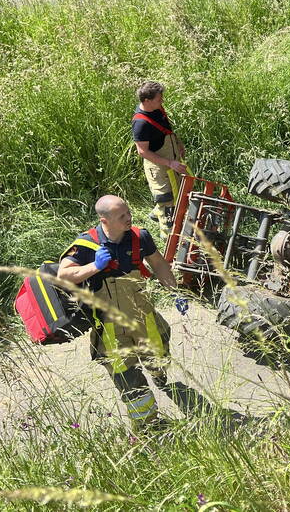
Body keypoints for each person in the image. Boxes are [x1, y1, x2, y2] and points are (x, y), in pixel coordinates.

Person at [57, 195, 206, 429]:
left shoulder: (140, 236)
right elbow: (63, 276)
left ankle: (159, 377)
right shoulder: (86, 245)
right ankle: (149, 426)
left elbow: (158, 264)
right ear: (104, 220)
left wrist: (176, 292)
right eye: (122, 216)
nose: (129, 218)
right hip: (110, 328)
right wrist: (94, 266)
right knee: (128, 378)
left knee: (158, 356)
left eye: (128, 212)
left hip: (144, 316)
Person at [132, 81, 188, 236]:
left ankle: (156, 213)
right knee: (166, 199)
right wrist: (169, 162)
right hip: (158, 167)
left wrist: (178, 145)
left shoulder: (157, 109)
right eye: (158, 99)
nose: (162, 101)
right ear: (146, 101)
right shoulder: (140, 123)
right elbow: (142, 151)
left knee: (178, 191)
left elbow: (167, 129)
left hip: (172, 160)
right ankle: (168, 235)